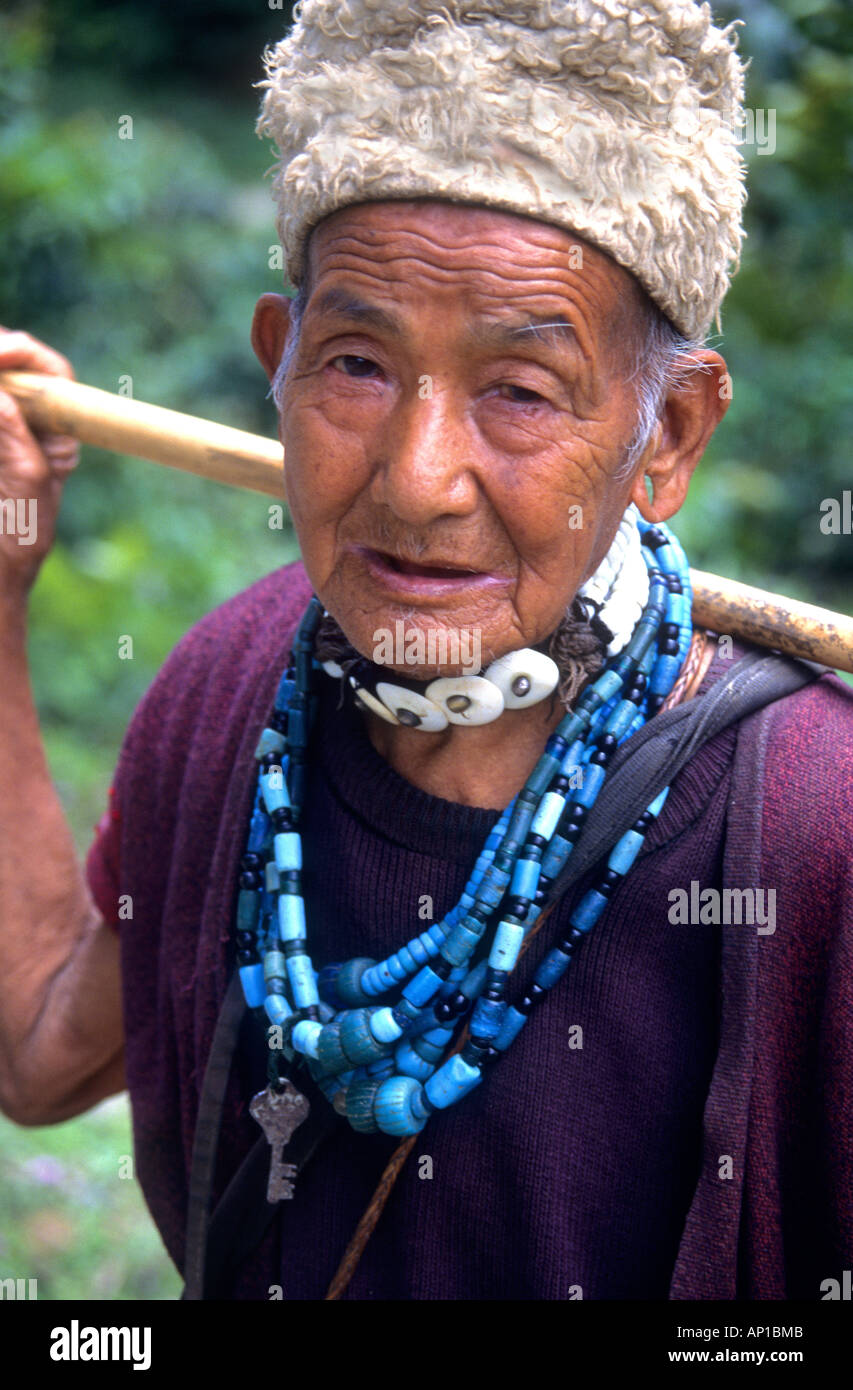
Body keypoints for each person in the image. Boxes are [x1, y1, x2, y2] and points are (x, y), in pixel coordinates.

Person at [1, 0, 851, 1301]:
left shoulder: (810, 827)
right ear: (276, 368)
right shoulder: (232, 689)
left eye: (517, 390)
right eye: (355, 364)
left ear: (668, 435)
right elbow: (43, 1051)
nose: (416, 479)